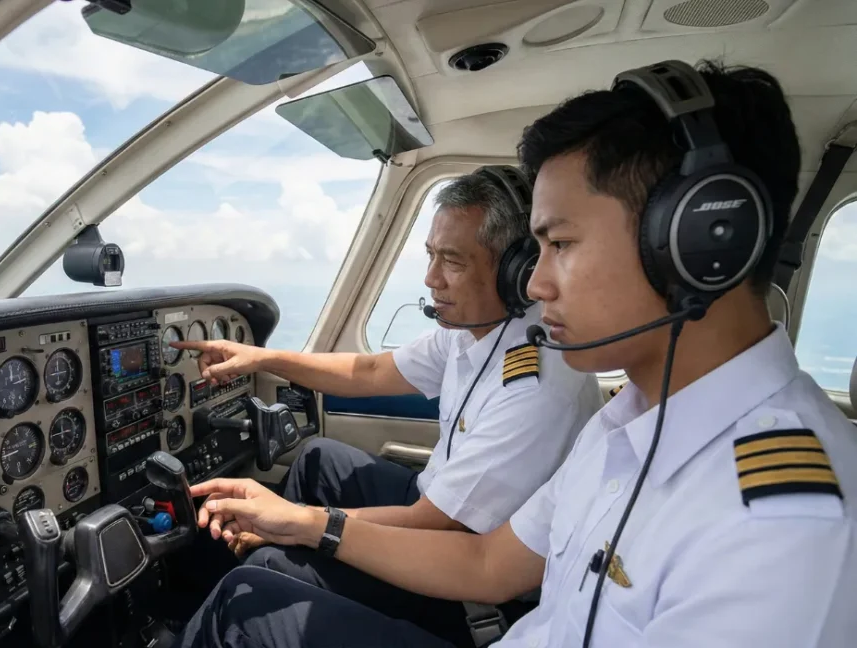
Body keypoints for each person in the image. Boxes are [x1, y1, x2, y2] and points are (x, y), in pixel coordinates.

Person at [172, 58, 857, 648]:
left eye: (560, 244)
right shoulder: (629, 425)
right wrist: (301, 523)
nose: (534, 284)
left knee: (247, 607)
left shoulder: (785, 528)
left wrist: (303, 527)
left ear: (698, 245)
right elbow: (487, 562)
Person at [171, 167, 603, 645]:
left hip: (469, 590)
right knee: (320, 460)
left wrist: (294, 525)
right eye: (431, 255)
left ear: (513, 274)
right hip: (437, 505)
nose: (431, 278)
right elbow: (371, 372)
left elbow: (437, 524)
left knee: (260, 577)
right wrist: (263, 357)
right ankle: (190, 611)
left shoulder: (534, 386)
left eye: (453, 262)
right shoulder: (471, 332)